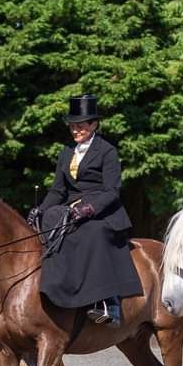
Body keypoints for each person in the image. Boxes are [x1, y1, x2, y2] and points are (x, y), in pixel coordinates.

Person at [29, 94, 141, 326]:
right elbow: (58, 190)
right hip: (71, 208)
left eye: (80, 126)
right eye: (72, 126)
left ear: (93, 124)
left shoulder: (107, 151)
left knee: (92, 232)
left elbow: (112, 191)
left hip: (102, 210)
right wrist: (40, 209)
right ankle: (57, 291)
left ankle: (108, 302)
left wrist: (89, 209)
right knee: (48, 222)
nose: (75, 130)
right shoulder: (66, 151)